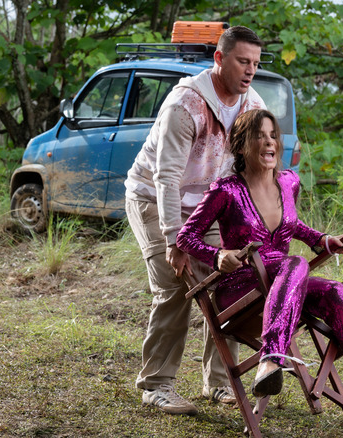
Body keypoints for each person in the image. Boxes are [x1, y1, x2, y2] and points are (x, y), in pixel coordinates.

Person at [176, 109, 343, 430]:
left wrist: (320, 238)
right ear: (240, 146)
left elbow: (292, 225)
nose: (269, 142)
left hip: (284, 288)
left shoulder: (289, 182)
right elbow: (186, 237)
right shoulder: (226, 190)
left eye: (272, 135)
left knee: (334, 291)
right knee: (296, 263)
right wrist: (217, 255)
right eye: (258, 136)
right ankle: (272, 356)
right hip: (242, 291)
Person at [124, 26, 267, 415]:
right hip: (154, 199)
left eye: (255, 63)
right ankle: (156, 386)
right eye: (242, 61)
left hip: (206, 205)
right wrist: (176, 242)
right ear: (219, 59)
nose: (250, 70)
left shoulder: (251, 104)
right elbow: (165, 178)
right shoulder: (185, 105)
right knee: (175, 284)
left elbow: (251, 170)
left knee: (231, 278)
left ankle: (219, 382)